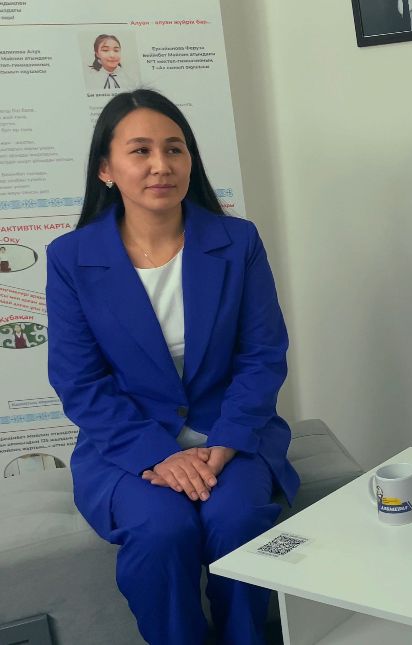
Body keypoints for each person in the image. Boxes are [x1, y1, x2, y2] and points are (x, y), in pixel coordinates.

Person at [46, 88, 299, 645]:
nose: (161, 164)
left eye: (174, 148)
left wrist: (226, 442)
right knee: (162, 531)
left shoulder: (237, 241)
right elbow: (79, 382)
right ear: (106, 169)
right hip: (128, 444)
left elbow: (262, 356)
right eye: (140, 150)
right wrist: (160, 455)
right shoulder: (71, 258)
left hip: (228, 435)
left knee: (236, 521)